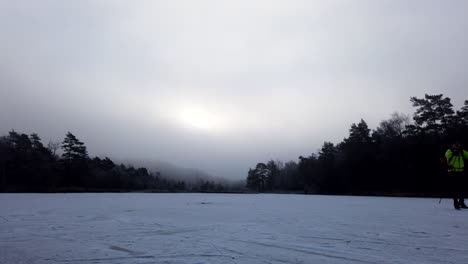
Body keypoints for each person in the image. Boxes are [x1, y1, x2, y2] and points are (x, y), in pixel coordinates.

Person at [445, 142, 468, 210]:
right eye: (456, 146)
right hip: (453, 172)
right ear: (453, 146)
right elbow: (447, 155)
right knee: (455, 188)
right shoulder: (449, 151)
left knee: (462, 188)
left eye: (458, 146)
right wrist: (453, 152)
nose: (457, 147)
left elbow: (467, 155)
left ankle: (461, 202)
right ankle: (456, 202)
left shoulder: (462, 151)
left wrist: (462, 151)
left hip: (461, 172)